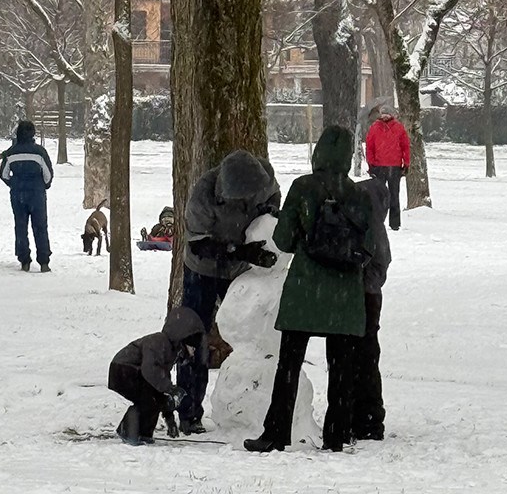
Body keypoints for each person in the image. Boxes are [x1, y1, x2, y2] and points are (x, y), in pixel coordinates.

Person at [244, 125, 374, 453]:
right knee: (342, 369)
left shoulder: (303, 188)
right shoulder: (359, 195)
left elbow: (283, 241)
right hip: (345, 295)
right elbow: (368, 246)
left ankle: (275, 432)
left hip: (305, 291)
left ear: (318, 152)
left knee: (288, 364)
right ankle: (337, 434)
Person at [179, 150, 281, 434]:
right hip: (202, 269)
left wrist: (269, 218)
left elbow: (274, 197)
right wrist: (239, 251)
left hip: (239, 270)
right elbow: (199, 244)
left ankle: (254, 404)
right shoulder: (203, 194)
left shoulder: (263, 177)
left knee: (251, 333)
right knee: (192, 338)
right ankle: (188, 411)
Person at [108, 308, 205, 445]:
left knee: (154, 398)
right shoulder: (160, 342)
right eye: (192, 348)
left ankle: (143, 433)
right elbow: (150, 370)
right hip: (123, 370)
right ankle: (129, 431)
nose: (193, 353)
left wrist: (169, 416)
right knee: (149, 398)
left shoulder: (171, 351)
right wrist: (170, 389)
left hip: (132, 371)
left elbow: (161, 380)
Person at [354, 172, 393, 439]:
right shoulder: (374, 226)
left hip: (362, 295)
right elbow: (382, 265)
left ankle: (367, 417)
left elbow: (379, 265)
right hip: (368, 296)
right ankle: (368, 416)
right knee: (367, 355)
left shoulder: (365, 225)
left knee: (362, 354)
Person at [0, 120, 54, 272]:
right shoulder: (40, 152)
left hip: (18, 194)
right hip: (37, 193)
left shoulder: (11, 152)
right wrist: (43, 185)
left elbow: (3, 174)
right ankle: (44, 261)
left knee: (21, 226)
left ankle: (24, 259)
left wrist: (14, 184)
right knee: (40, 227)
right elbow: (48, 175)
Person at [365, 98, 410, 231]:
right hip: (380, 167)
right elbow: (370, 147)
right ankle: (378, 221)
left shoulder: (398, 128)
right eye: (383, 113)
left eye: (387, 113)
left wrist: (406, 162)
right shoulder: (375, 128)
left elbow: (405, 146)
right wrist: (371, 163)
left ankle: (394, 223)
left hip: (393, 167)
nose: (385, 115)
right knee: (379, 195)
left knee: (393, 195)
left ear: (392, 114)